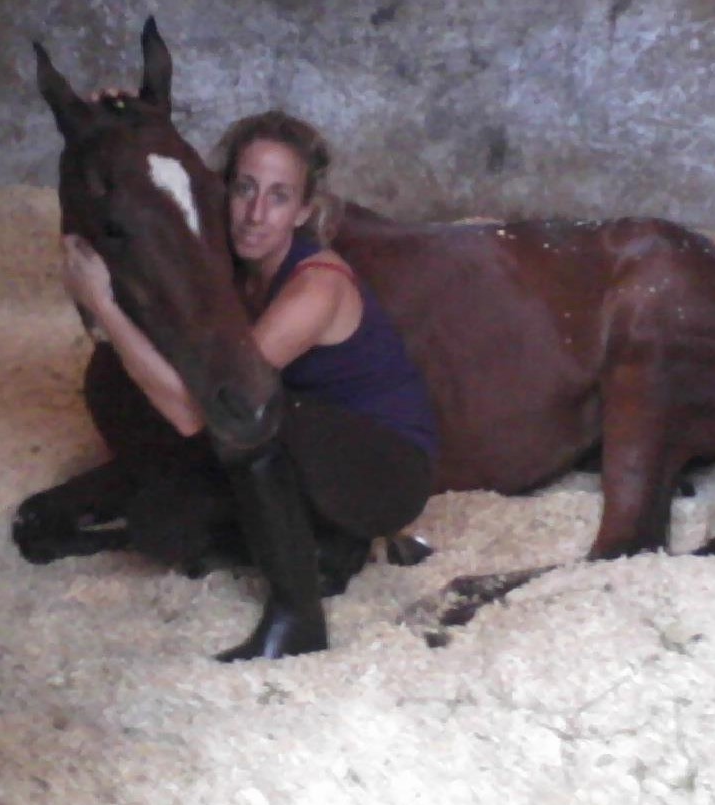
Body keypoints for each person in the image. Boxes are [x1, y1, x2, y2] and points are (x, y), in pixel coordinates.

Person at [62, 106, 437, 660]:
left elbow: (201, 414)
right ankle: (335, 549)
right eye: (244, 188)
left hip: (384, 467)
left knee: (246, 416)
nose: (255, 214)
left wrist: (101, 303)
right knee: (162, 522)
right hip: (307, 455)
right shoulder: (237, 272)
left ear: (304, 210)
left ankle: (298, 621)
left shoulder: (315, 287)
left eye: (280, 196)